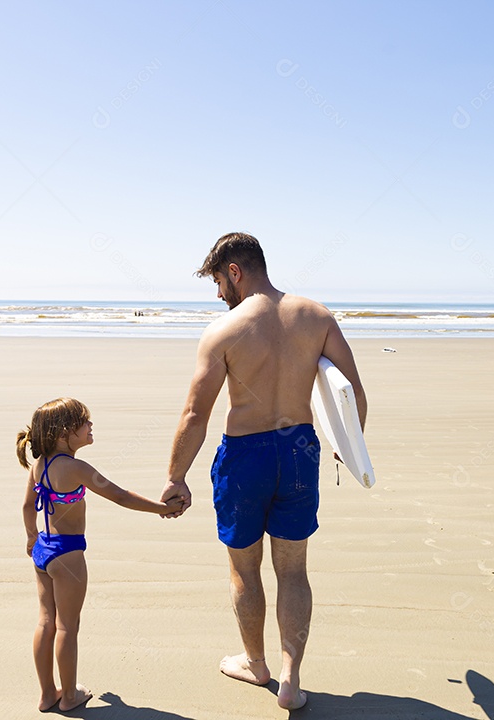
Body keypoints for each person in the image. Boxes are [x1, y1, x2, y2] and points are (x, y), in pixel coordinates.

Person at [160, 232, 367, 710]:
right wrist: (347, 447)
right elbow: (353, 392)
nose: (217, 295)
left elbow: (196, 413)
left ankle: (257, 665)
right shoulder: (316, 316)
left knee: (244, 570)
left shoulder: (224, 331)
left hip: (245, 456)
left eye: (217, 281)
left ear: (234, 271)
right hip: (298, 451)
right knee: (293, 570)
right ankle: (292, 679)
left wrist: (175, 476)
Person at [17, 397, 181, 712]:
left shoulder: (39, 464)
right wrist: (161, 508)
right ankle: (69, 697)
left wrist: (30, 536)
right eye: (85, 422)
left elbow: (27, 506)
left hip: (44, 550)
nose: (91, 426)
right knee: (67, 626)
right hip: (68, 554)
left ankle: (47, 694)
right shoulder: (75, 468)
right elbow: (119, 495)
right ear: (65, 432)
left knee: (46, 621)